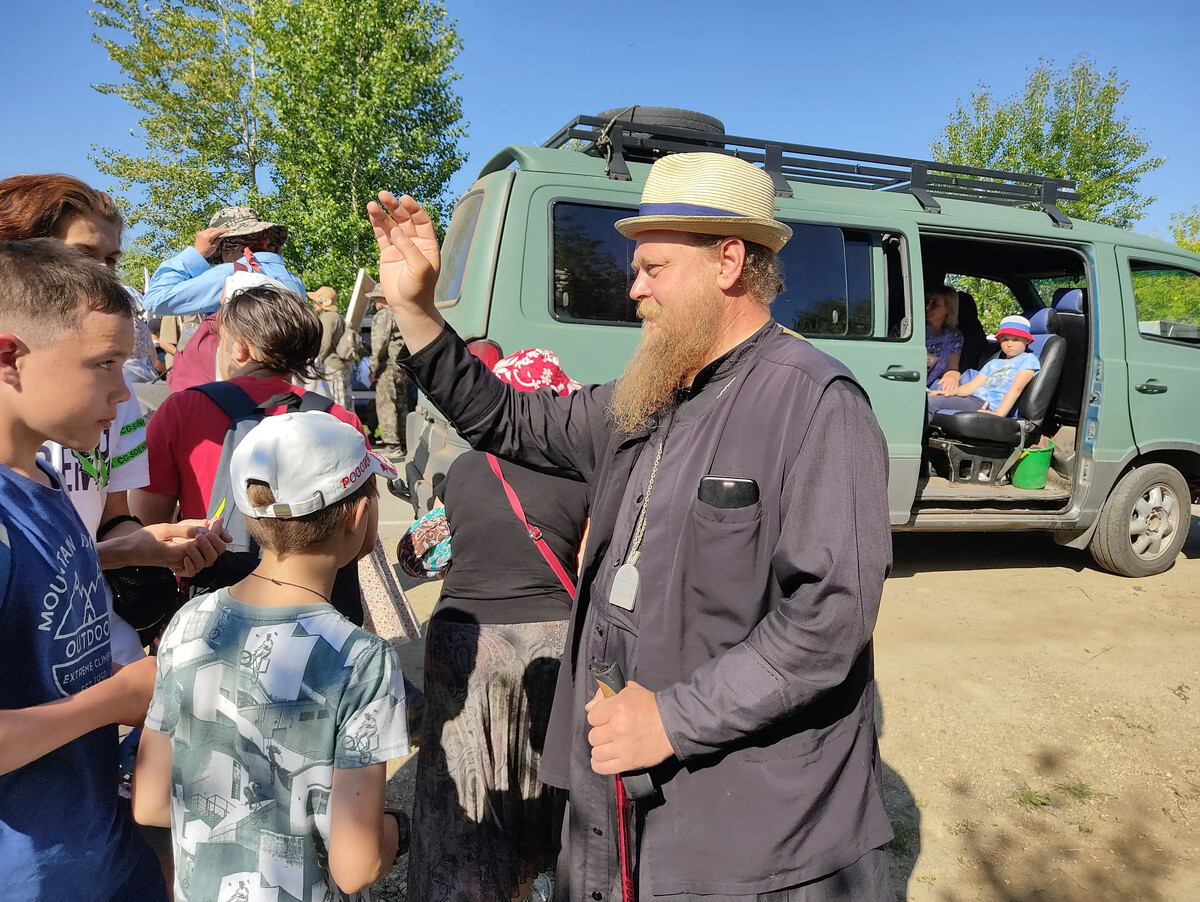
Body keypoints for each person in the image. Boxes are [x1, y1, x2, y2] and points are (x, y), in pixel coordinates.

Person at [368, 151, 894, 899]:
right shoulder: (645, 394)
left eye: (652, 268)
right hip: (621, 792)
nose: (633, 287)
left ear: (729, 261)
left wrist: (675, 719)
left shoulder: (815, 404)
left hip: (747, 824)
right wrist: (416, 311)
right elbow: (506, 418)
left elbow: (829, 620)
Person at [132, 410, 410, 902]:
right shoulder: (361, 660)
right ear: (359, 516)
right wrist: (399, 830)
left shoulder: (190, 622)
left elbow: (152, 804)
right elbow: (356, 866)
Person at [0, 239, 168, 900]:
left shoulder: (42, 475)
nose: (122, 391)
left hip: (95, 844)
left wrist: (128, 548)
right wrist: (119, 699)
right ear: (10, 356)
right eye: (103, 364)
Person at [0, 174, 228, 659]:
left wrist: (146, 545)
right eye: (84, 257)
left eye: (111, 260)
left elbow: (111, 515)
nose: (105, 276)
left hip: (98, 643)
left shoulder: (113, 394)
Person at [404, 348, 589, 902]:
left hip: (464, 642)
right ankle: (537, 876)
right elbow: (587, 564)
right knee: (545, 774)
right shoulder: (580, 473)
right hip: (550, 642)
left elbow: (418, 552)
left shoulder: (463, 470)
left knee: (467, 776)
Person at [131, 281, 368, 619]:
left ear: (239, 347)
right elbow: (363, 539)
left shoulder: (181, 411)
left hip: (214, 608)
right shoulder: (340, 421)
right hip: (315, 613)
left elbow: (148, 526)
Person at [142, 205, 304, 316]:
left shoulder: (231, 276)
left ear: (228, 245)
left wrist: (196, 253)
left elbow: (155, 300)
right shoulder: (295, 282)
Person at [927, 314, 1040, 419]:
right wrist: (952, 393)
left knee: (931, 403)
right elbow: (971, 387)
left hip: (985, 405)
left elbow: (1016, 389)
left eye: (1015, 339)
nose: (1009, 344)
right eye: (1005, 339)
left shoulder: (1028, 359)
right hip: (971, 400)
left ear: (1027, 340)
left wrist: (998, 414)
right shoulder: (994, 363)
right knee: (929, 398)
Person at [367, 286, 410, 456]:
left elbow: (379, 344)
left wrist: (373, 368)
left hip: (388, 366)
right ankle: (404, 441)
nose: (375, 302)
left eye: (377, 298)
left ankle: (392, 444)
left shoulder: (383, 315)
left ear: (383, 299)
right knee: (401, 404)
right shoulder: (402, 313)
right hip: (402, 365)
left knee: (386, 404)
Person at [309, 285, 356, 410]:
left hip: (331, 367)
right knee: (344, 403)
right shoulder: (337, 316)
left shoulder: (327, 317)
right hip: (340, 366)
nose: (313, 303)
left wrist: (314, 360)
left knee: (336, 404)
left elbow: (324, 343)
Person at [925, 285, 963, 390]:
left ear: (948, 309)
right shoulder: (909, 329)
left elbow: (952, 368)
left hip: (931, 384)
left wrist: (952, 376)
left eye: (934, 304)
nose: (927, 307)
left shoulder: (954, 337)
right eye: (926, 301)